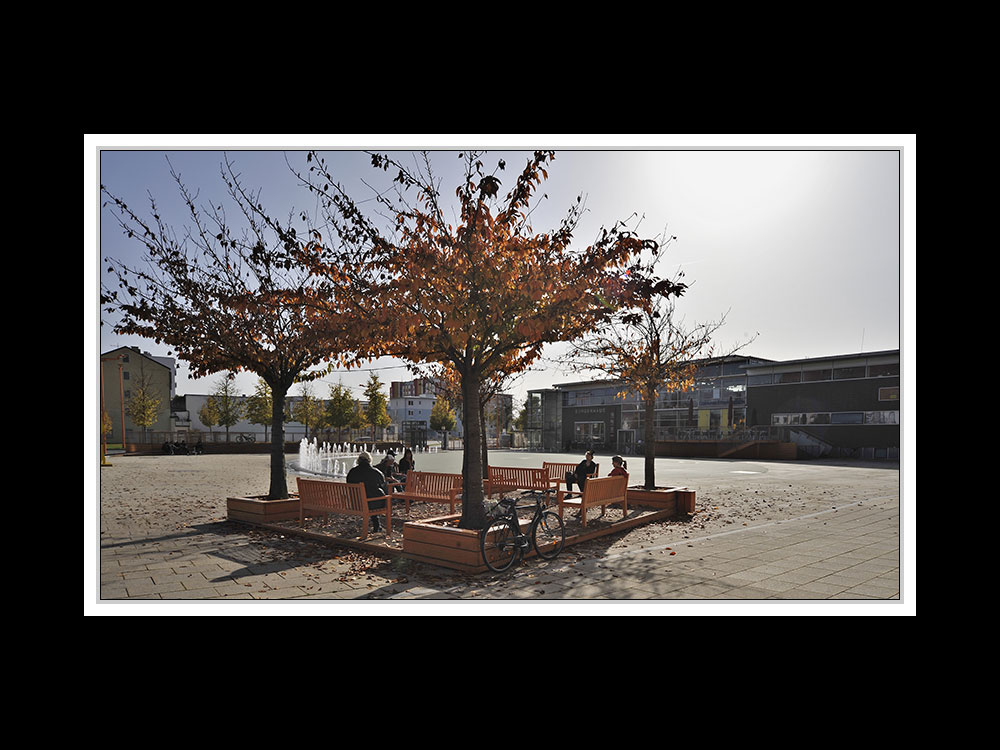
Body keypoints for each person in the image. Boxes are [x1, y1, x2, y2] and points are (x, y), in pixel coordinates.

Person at [346, 452, 390, 532]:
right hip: (373, 503)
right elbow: (383, 485)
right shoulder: (376, 472)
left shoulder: (352, 472)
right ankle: (377, 525)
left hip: (357, 503)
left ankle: (377, 525)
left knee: (370, 495)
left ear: (358, 461)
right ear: (369, 460)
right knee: (379, 495)